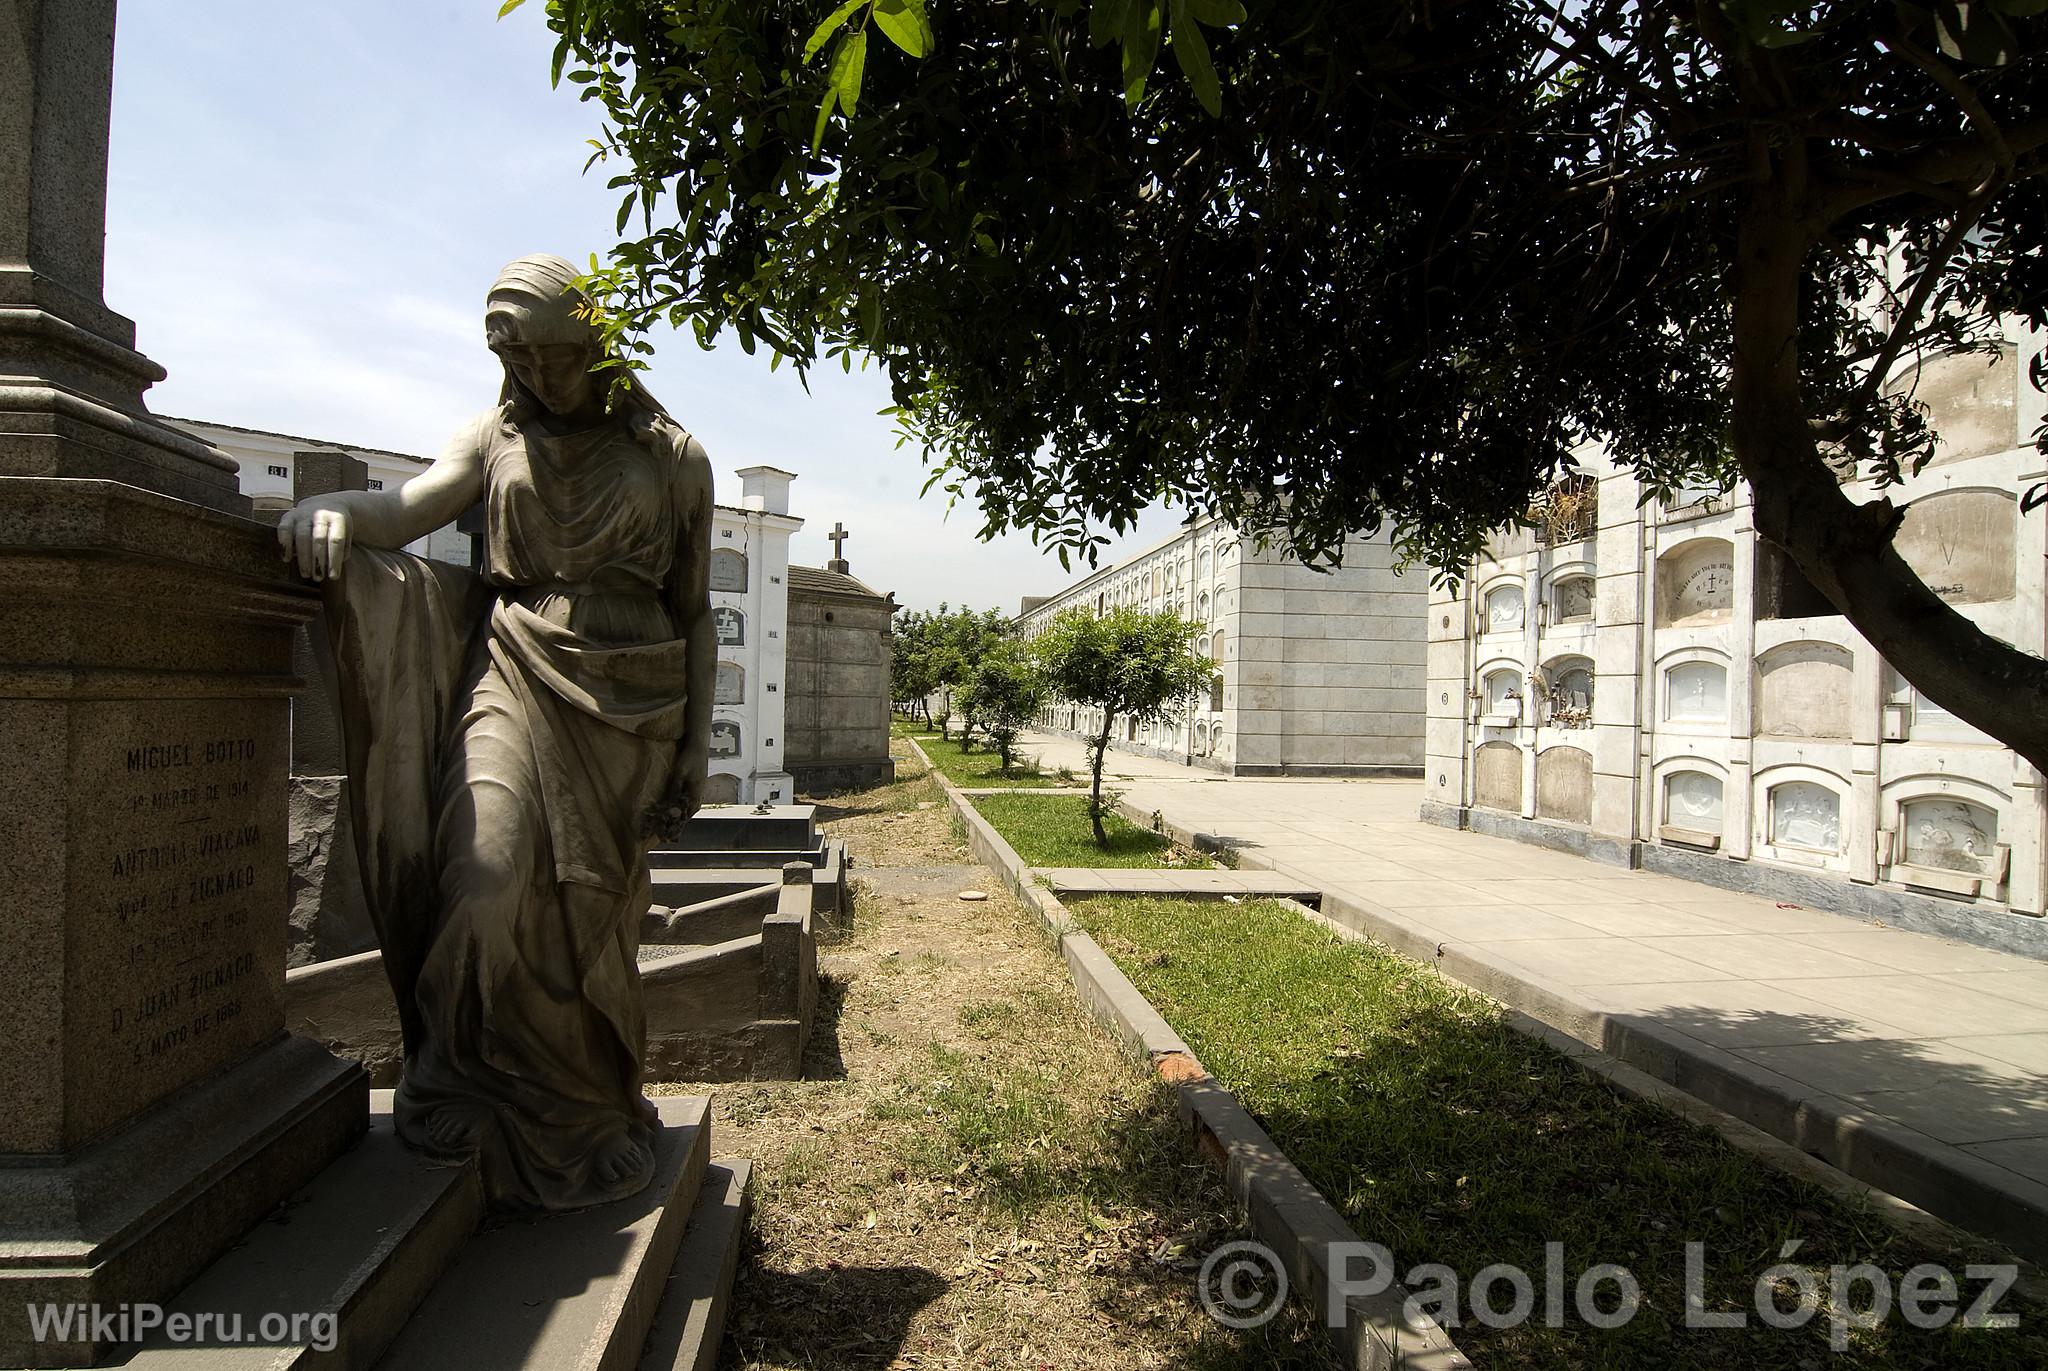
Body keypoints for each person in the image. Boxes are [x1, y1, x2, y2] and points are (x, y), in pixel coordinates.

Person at [276, 255, 714, 1210]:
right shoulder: (494, 434)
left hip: (630, 699)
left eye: (555, 357)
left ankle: (590, 1109)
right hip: (514, 667)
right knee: (482, 875)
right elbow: (405, 508)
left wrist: (692, 748)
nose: (541, 379)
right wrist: (329, 514)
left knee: (588, 920)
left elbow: (696, 611)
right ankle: (462, 1080)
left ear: (598, 344)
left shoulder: (674, 455)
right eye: (519, 359)